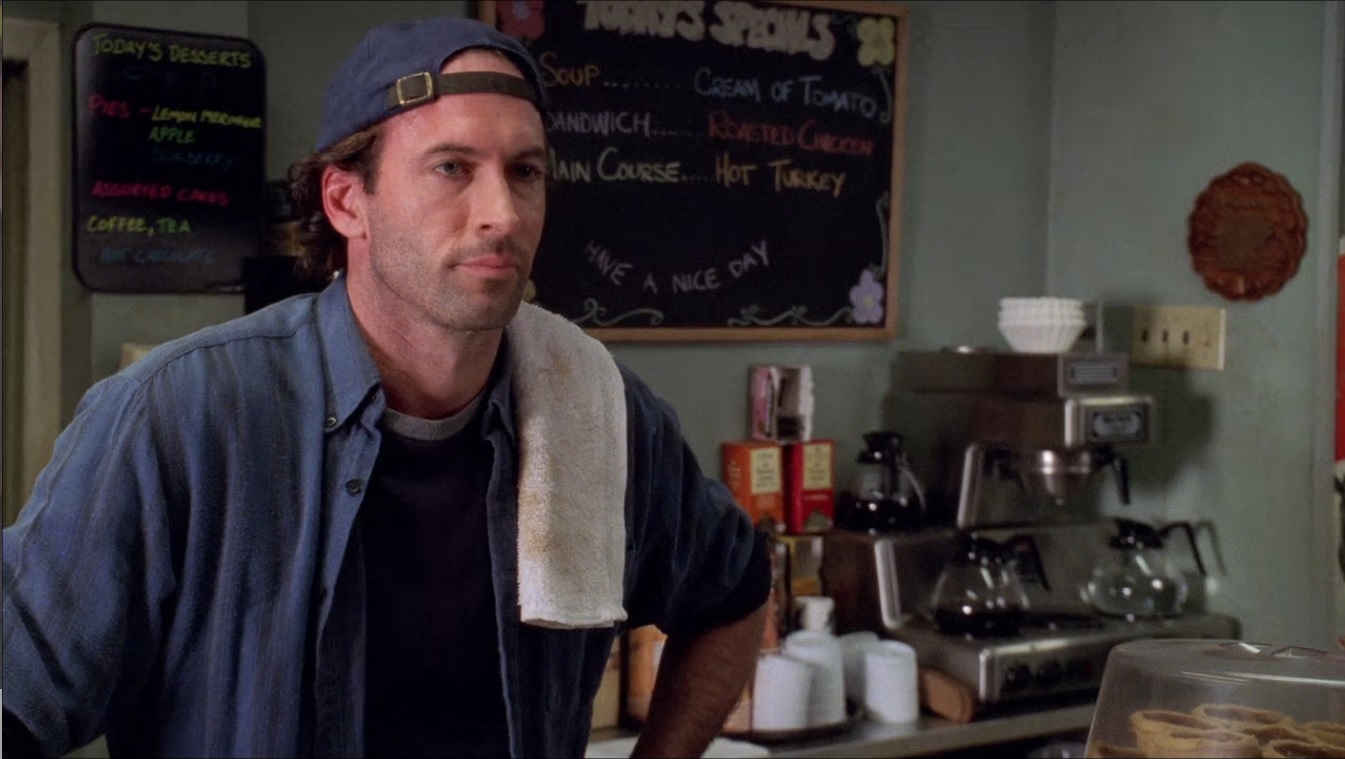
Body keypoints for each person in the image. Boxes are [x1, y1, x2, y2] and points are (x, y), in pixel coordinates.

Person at [1, 15, 770, 759]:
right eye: (452, 168)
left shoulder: (597, 409)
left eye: (525, 172)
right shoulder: (180, 414)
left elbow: (733, 593)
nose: (501, 213)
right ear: (346, 202)